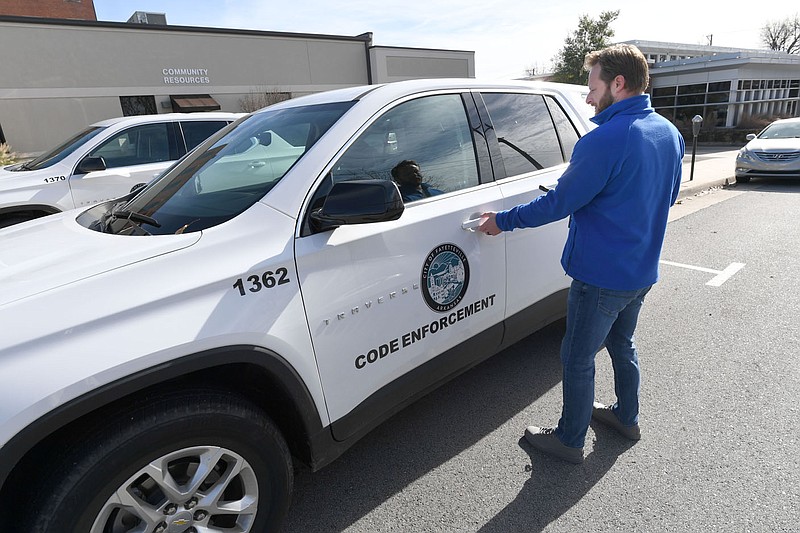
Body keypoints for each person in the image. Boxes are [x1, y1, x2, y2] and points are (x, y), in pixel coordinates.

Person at [477, 44, 684, 464]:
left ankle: (569, 440)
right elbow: (668, 196)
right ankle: (627, 416)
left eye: (592, 87)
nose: (588, 97)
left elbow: (557, 204)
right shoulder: (668, 131)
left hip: (600, 275)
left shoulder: (605, 140)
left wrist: (502, 221)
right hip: (642, 269)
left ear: (618, 84)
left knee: (576, 357)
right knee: (622, 344)